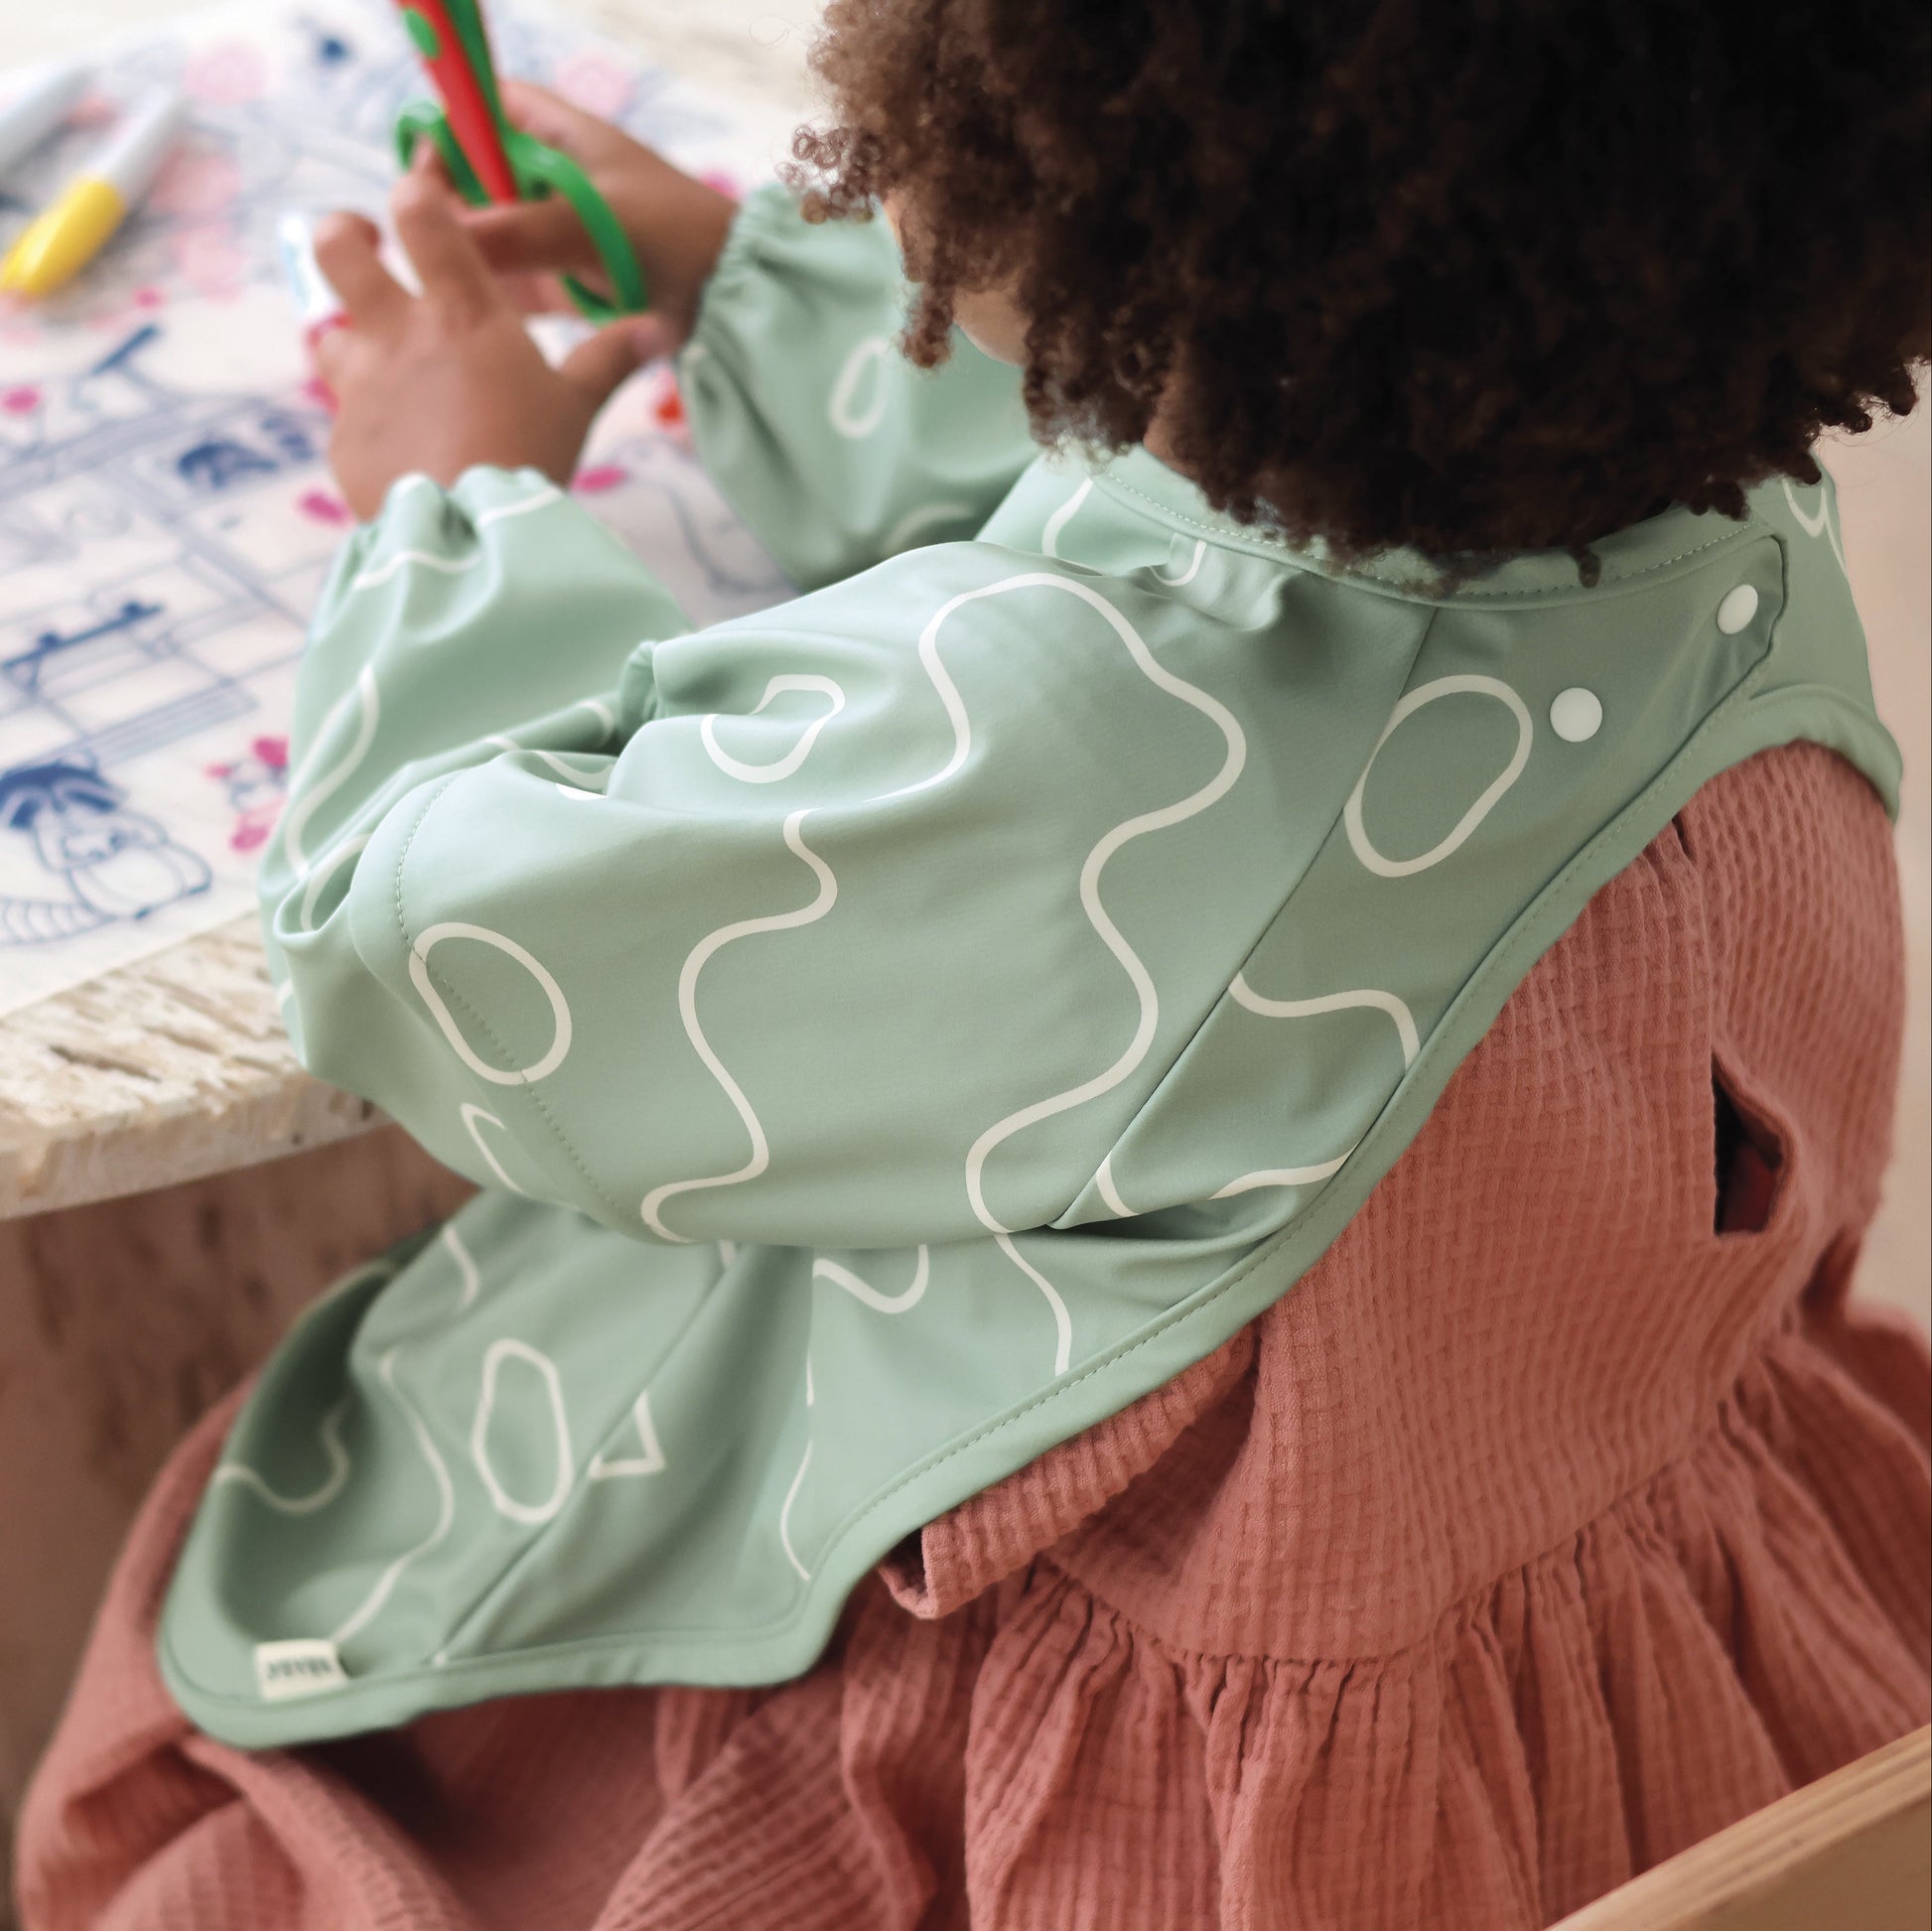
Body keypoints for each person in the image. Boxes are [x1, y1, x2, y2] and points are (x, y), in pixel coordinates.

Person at [20, 4, 1931, 1925]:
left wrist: (446, 506)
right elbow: (1227, 462)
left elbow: (422, 937)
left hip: (1086, 1782)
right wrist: (750, 292)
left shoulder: (1081, 747)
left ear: (1116, 189)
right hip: (1576, 1574)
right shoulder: (1716, 495)